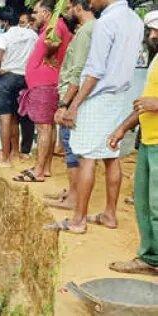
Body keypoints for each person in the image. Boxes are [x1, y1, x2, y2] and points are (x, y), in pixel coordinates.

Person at [57, 0, 144, 233]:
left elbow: (95, 70)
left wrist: (74, 105)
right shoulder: (135, 20)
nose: (90, 1)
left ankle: (78, 221)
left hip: (97, 97)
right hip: (119, 96)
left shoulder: (105, 22)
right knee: (110, 154)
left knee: (87, 157)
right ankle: (109, 214)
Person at [104, 11, 158, 276]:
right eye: (151, 31)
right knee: (145, 204)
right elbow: (145, 102)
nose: (153, 36)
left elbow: (153, 103)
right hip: (149, 140)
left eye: (157, 31)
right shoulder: (156, 60)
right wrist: (122, 128)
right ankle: (151, 258)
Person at [13, 0, 73, 182]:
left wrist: (47, 55)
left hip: (45, 83)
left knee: (44, 127)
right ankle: (44, 168)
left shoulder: (55, 27)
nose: (34, 15)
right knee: (49, 126)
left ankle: (39, 170)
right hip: (46, 82)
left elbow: (53, 43)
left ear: (47, 13)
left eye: (36, 12)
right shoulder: (56, 26)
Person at [46, 0, 96, 210]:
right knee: (72, 148)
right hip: (74, 94)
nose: (66, 13)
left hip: (72, 95)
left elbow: (78, 71)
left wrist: (65, 104)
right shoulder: (89, 30)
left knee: (71, 149)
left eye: (68, 8)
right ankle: (72, 192)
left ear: (78, 7)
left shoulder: (86, 32)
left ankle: (75, 198)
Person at [0, 6, 38, 166]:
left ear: (5, 22)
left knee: (5, 118)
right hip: (25, 78)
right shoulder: (32, 34)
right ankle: (16, 153)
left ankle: (5, 158)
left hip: (7, 77)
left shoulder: (4, 37)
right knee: (16, 118)